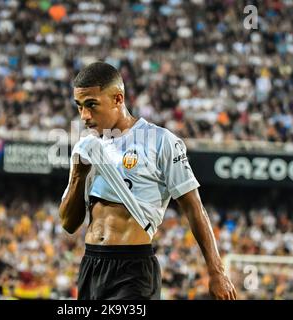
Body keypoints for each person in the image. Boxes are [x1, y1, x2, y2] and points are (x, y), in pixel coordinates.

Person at [59, 61, 237, 300]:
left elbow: (195, 208)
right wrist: (78, 176)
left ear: (118, 99)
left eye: (92, 105)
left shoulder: (160, 141)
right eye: (79, 106)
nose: (84, 116)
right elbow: (69, 224)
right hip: (91, 266)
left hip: (133, 269)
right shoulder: (86, 147)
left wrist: (217, 272)